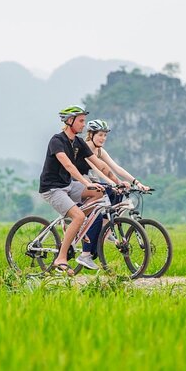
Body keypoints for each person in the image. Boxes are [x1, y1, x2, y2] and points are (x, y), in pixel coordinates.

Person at [38, 105, 123, 275]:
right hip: (52, 188)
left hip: (68, 186)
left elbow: (100, 165)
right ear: (70, 121)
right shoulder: (57, 141)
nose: (84, 125)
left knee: (100, 192)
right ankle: (60, 258)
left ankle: (82, 225)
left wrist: (118, 182)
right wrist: (86, 183)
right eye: (81, 121)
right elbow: (68, 165)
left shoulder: (78, 142)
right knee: (78, 215)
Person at [80, 118, 150, 258]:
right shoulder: (85, 147)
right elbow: (98, 170)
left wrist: (137, 182)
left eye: (105, 135)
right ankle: (101, 228)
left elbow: (116, 168)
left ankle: (107, 227)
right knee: (111, 190)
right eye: (100, 134)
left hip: (95, 183)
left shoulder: (100, 151)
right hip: (81, 182)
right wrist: (112, 183)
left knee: (118, 195)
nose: (103, 138)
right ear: (91, 134)